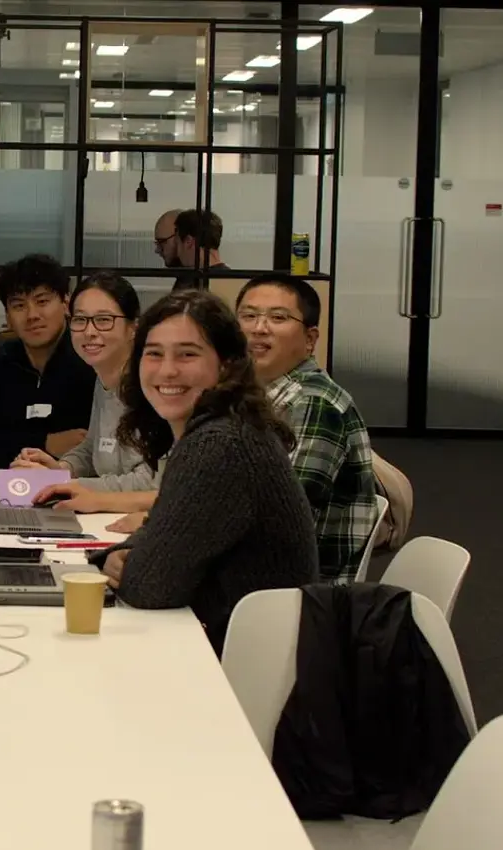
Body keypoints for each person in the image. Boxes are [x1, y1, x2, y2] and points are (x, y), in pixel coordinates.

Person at [91, 290, 318, 653]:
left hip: (246, 675)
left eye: (187, 354)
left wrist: (124, 561)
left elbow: (149, 586)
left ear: (226, 365)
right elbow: (164, 529)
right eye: (153, 354)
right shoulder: (223, 429)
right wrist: (122, 554)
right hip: (237, 650)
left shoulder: (221, 445)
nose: (167, 370)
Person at [236, 274, 377, 583]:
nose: (258, 328)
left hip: (302, 594)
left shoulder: (313, 401)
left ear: (310, 339)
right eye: (248, 316)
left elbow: (279, 512)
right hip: (260, 573)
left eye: (278, 317)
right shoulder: (255, 396)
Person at [12, 272, 159, 513]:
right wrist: (60, 469)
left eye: (104, 320)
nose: (89, 331)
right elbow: (92, 448)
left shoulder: (152, 387)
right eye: (80, 320)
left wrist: (64, 484)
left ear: (134, 327)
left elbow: (149, 482)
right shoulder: (103, 379)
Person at [0, 253, 93, 467]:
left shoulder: (90, 360)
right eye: (19, 306)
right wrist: (45, 442)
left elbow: (89, 443)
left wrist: (14, 441)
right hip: (2, 483)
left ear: (66, 303)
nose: (32, 315)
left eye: (42, 301)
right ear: (7, 316)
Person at [154, 209, 228, 289]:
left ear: (188, 241)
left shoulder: (191, 284)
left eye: (177, 243)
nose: (178, 252)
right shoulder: (234, 280)